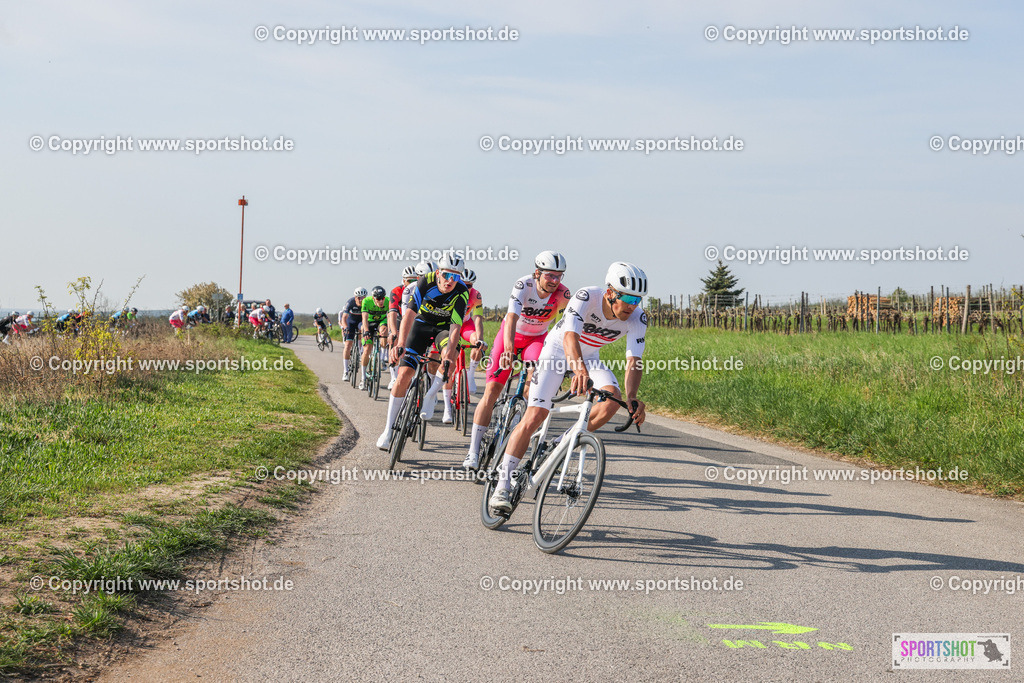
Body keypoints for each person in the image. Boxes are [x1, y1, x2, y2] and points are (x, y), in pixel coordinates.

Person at [488, 262, 649, 513]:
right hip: (555, 352)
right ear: (609, 293)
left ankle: (559, 444)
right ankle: (502, 485)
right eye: (627, 297)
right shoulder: (586, 296)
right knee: (535, 415)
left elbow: (634, 360)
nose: (632, 304)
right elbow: (569, 337)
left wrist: (633, 397)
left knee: (611, 400)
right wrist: (579, 369)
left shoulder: (638, 317)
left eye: (637, 299)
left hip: (590, 357)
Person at [462, 251, 570, 469]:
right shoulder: (524, 285)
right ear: (538, 273)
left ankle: (517, 427)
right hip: (511, 334)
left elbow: (565, 328)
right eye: (550, 276)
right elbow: (511, 317)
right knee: (492, 390)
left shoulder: (563, 294)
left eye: (559, 276)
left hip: (537, 339)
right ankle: (473, 452)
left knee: (534, 382)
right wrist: (508, 350)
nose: (555, 281)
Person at [376, 251, 470, 450]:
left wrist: (450, 355)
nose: (450, 281)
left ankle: (429, 396)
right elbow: (409, 314)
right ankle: (388, 429)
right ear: (438, 273)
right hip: (421, 324)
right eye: (446, 275)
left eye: (456, 276)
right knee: (404, 375)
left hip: (443, 328)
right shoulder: (425, 282)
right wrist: (400, 344)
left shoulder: (461, 290)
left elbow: (455, 327)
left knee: (449, 357)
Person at [429, 268, 486, 423]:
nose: (467, 288)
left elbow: (478, 318)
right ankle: (447, 408)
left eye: (469, 285)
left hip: (465, 324)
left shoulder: (476, 295)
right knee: (444, 362)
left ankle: (471, 375)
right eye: (464, 284)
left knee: (477, 341)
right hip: (449, 325)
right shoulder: (452, 290)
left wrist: (479, 339)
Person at [387, 266, 420, 389]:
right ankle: (393, 376)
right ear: (403, 280)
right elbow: (392, 313)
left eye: (414, 280)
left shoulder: (420, 289)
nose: (412, 283)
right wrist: (394, 332)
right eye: (409, 281)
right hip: (399, 317)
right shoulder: (396, 291)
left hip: (415, 318)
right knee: (395, 338)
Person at [358, 286, 389, 389]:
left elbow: (390, 317)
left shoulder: (388, 301)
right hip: (370, 323)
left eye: (382, 298)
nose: (381, 301)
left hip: (381, 321)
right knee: (367, 349)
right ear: (373, 298)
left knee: (384, 331)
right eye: (378, 299)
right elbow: (364, 318)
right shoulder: (366, 301)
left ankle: (383, 359)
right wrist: (366, 331)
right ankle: (363, 378)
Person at [341, 288, 367, 380]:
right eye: (359, 298)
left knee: (363, 330)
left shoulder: (366, 302)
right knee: (348, 345)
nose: (361, 300)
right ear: (355, 297)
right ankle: (345, 371)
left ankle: (361, 350)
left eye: (362, 298)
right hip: (350, 322)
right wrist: (345, 327)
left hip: (361, 322)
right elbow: (344, 318)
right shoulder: (350, 302)